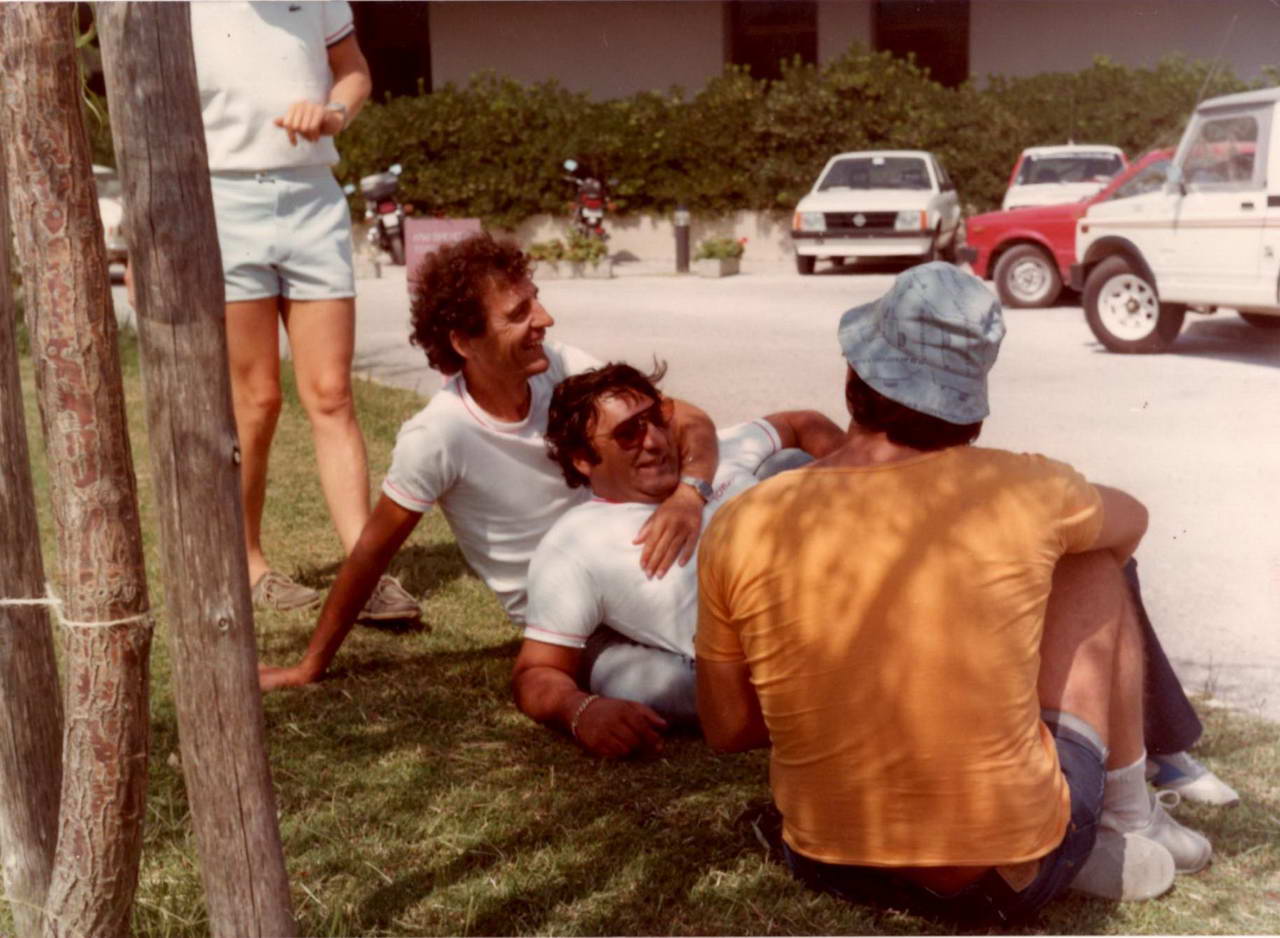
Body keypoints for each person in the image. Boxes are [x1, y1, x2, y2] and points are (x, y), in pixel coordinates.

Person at [695, 263, 1216, 920]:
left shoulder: (744, 518)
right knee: (1093, 564)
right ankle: (1129, 816)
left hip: (827, 859)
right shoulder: (1027, 489)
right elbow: (1132, 523)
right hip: (1002, 878)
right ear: (969, 397)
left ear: (854, 375)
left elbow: (729, 729)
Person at [258, 234, 717, 690]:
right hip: (573, 622)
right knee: (679, 688)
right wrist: (309, 667)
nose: (545, 319)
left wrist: (689, 493)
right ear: (464, 342)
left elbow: (683, 417)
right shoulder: (438, 435)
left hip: (634, 561)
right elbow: (370, 554)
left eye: (535, 300)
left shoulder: (559, 366)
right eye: (519, 314)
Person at [190, 2, 415, 618]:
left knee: (332, 394)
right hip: (224, 199)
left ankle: (364, 572)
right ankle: (248, 562)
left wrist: (333, 112)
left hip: (313, 200)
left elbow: (354, 71)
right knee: (256, 399)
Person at [512, 363, 845, 758]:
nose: (655, 441)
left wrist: (867, 484)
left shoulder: (710, 459)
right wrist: (580, 711)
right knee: (630, 679)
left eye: (657, 419)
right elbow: (537, 670)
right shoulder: (576, 543)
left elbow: (804, 422)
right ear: (583, 458)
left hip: (843, 588)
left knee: (788, 462)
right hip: (771, 662)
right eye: (628, 433)